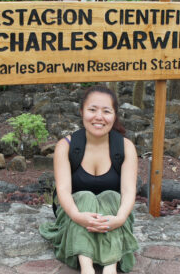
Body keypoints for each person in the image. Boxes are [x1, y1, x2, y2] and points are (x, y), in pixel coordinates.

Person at [39, 85, 139, 274]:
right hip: (74, 217)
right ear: (82, 112)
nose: (99, 117)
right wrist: (78, 216)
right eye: (92, 110)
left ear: (114, 115)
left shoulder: (125, 147)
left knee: (111, 196)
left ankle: (110, 267)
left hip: (113, 218)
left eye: (106, 111)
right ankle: (87, 268)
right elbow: (63, 191)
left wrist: (120, 219)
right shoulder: (65, 146)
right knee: (84, 196)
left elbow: (128, 191)